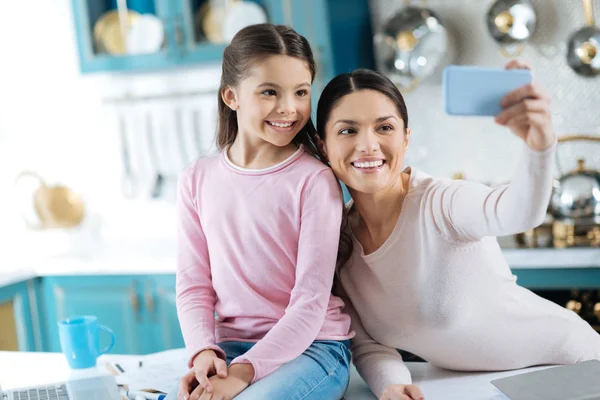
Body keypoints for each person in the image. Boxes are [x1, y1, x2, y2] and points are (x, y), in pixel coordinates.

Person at [315, 62, 600, 400]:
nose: (368, 145)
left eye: (384, 128)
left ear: (406, 137)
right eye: (348, 131)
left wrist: (539, 146)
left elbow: (518, 212)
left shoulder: (441, 202)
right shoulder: (338, 243)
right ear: (323, 146)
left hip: (572, 364)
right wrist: (391, 386)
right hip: (480, 387)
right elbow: (369, 345)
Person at [175, 24, 353, 400]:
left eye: (301, 92)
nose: (289, 108)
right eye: (269, 92)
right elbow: (193, 286)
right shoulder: (197, 178)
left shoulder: (314, 181)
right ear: (231, 96)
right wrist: (203, 350)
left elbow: (309, 303)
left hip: (313, 348)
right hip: (232, 348)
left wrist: (242, 375)